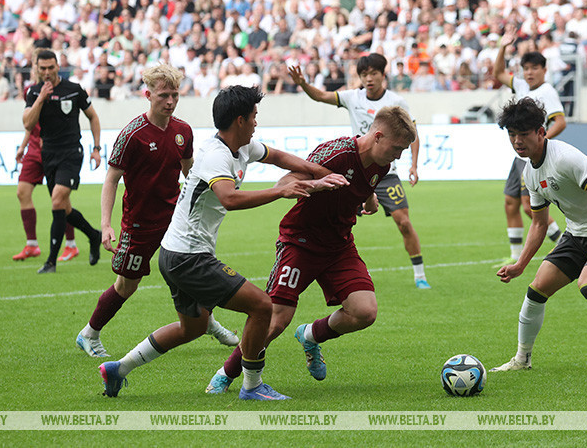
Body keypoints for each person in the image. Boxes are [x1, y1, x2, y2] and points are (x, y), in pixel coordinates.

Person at [98, 86, 348, 401]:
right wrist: (282, 191)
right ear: (240, 120)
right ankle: (252, 385)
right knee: (262, 306)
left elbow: (278, 156)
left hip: (175, 253)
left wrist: (318, 174)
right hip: (189, 257)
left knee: (192, 328)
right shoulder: (216, 155)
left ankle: (118, 369)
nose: (256, 122)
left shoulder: (242, 146)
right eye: (253, 116)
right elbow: (229, 198)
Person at [206, 106, 417, 394]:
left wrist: (369, 200)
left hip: (339, 246)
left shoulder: (382, 163)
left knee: (365, 312)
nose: (399, 156)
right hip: (301, 242)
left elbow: (366, 182)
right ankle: (226, 374)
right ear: (378, 136)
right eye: (397, 148)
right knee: (275, 319)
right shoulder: (336, 153)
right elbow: (287, 181)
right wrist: (315, 184)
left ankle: (310, 335)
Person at [75, 64, 238, 359]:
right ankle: (89, 333)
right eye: (164, 95)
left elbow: (190, 173)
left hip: (175, 219)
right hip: (139, 223)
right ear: (148, 95)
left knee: (192, 270)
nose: (170, 101)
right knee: (127, 285)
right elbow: (111, 179)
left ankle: (208, 323)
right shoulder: (132, 135)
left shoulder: (183, 131)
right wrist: (106, 224)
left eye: (175, 95)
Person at [492, 97, 587, 372]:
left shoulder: (565, 158)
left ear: (541, 132)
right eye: (512, 135)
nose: (517, 141)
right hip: (576, 234)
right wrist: (520, 265)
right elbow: (539, 224)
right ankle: (522, 359)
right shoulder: (529, 173)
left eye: (523, 134)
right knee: (536, 290)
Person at [288, 53, 432, 290]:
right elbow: (321, 96)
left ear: (383, 75)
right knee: (334, 221)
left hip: (386, 173)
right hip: (356, 171)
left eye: (373, 73)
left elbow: (412, 134)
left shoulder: (396, 102)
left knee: (404, 222)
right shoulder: (352, 97)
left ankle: (420, 275)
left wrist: (413, 165)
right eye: (364, 74)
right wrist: (303, 83)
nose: (369, 79)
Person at [23, 49, 103, 274]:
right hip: (48, 155)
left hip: (71, 153)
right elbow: (28, 124)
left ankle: (51, 262)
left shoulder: (74, 89)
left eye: (51, 67)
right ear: (37, 69)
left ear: (58, 66)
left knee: (57, 200)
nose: (47, 72)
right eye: (43, 68)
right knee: (64, 208)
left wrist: (96, 148)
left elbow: (93, 117)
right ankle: (93, 235)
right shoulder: (34, 92)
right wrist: (41, 98)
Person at [492, 28, 566, 267]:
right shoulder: (522, 86)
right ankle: (515, 254)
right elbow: (498, 73)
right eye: (526, 68)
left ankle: (564, 244)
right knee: (510, 202)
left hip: (533, 156)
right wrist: (503, 47)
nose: (530, 72)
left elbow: (560, 122)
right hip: (519, 157)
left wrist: (540, 142)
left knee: (528, 206)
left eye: (535, 68)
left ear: (544, 70)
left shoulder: (547, 92)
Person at [12, 124, 79, 262]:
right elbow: (29, 123)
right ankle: (32, 244)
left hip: (54, 148)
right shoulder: (31, 107)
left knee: (60, 198)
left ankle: (71, 244)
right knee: (22, 192)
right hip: (34, 149)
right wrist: (23, 146)